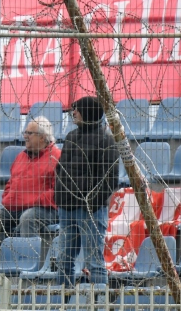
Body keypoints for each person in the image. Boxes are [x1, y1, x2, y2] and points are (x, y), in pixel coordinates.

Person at [55, 96, 119, 287]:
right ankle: (61, 303)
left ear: (88, 112)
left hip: (89, 211)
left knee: (94, 262)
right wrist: (61, 197)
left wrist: (89, 203)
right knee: (64, 260)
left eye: (77, 109)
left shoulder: (106, 141)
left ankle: (99, 303)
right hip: (67, 208)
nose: (73, 113)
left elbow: (109, 180)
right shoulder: (71, 137)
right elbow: (61, 169)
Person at [1, 116, 60, 238]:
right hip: (16, 207)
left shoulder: (56, 157)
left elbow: (58, 192)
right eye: (25, 132)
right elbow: (10, 184)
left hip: (46, 210)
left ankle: (28, 256)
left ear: (42, 137)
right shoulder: (20, 157)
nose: (25, 136)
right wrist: (8, 198)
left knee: (28, 218)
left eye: (29, 133)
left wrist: (31, 200)